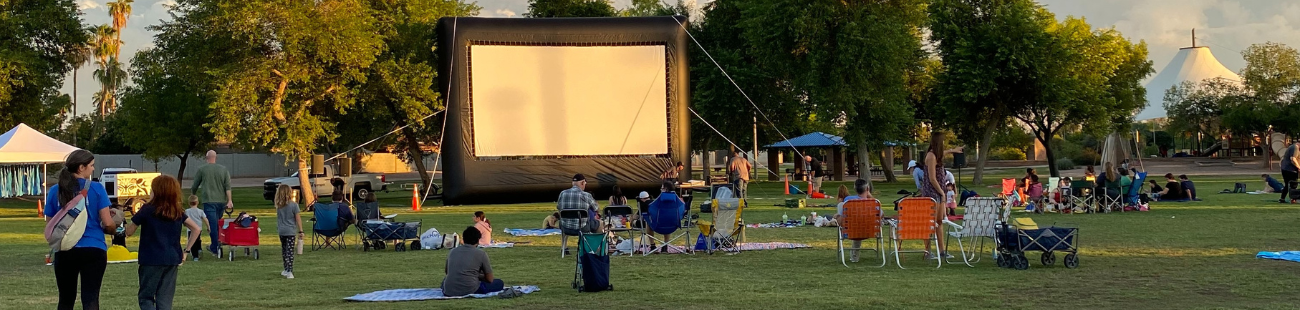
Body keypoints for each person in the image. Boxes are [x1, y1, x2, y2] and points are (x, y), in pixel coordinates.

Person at [45, 150, 115, 310]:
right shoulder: (97, 188)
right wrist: (113, 228)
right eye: (91, 166)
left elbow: (51, 224)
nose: (93, 169)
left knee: (65, 299)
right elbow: (108, 223)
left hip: (65, 249)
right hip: (94, 247)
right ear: (81, 167)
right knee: (90, 298)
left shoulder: (56, 190)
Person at [124, 175, 201, 310]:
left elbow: (129, 231)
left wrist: (120, 225)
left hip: (151, 259)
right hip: (172, 258)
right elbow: (196, 228)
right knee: (165, 299)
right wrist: (186, 251)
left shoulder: (147, 209)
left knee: (146, 297)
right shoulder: (177, 211)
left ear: (157, 191)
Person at [441, 226, 505, 297]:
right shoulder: (481, 254)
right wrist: (477, 275)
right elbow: (490, 279)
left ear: (464, 239)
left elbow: (448, 272)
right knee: (499, 283)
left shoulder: (452, 251)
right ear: (478, 240)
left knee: (446, 280)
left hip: (449, 290)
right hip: (470, 288)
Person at [191, 150, 232, 255]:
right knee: (218, 224)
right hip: (221, 202)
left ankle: (215, 247)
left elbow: (195, 185)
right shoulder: (223, 170)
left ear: (206, 157)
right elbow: (228, 187)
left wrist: (193, 196)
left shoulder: (202, 169)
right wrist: (229, 200)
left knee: (213, 225)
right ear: (216, 157)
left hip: (209, 200)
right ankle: (217, 244)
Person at [834, 179, 873, 262]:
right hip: (870, 231)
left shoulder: (849, 200)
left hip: (850, 231)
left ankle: (854, 256)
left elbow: (842, 218)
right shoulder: (873, 202)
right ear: (867, 189)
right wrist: (870, 196)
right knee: (859, 223)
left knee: (843, 210)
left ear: (855, 189)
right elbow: (881, 215)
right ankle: (854, 255)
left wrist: (837, 217)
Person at [918, 149, 948, 259]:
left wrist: (952, 150)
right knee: (929, 223)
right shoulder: (931, 156)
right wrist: (941, 192)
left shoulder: (937, 154)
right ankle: (927, 251)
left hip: (938, 194)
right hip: (932, 194)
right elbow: (932, 178)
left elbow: (943, 152)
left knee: (939, 221)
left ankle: (942, 251)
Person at [273, 184, 303, 279]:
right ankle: (289, 270)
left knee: (284, 250)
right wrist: (301, 230)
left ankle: (286, 268)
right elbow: (298, 219)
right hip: (290, 231)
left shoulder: (278, 205)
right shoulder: (294, 205)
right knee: (290, 251)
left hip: (282, 230)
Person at [183, 195, 206, 261]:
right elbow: (205, 219)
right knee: (198, 240)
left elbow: (185, 219)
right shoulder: (200, 211)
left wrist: (185, 224)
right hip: (199, 228)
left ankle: (195, 256)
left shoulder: (187, 211)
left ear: (189, 203)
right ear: (197, 202)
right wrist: (208, 227)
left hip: (190, 229)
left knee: (192, 242)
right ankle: (199, 249)